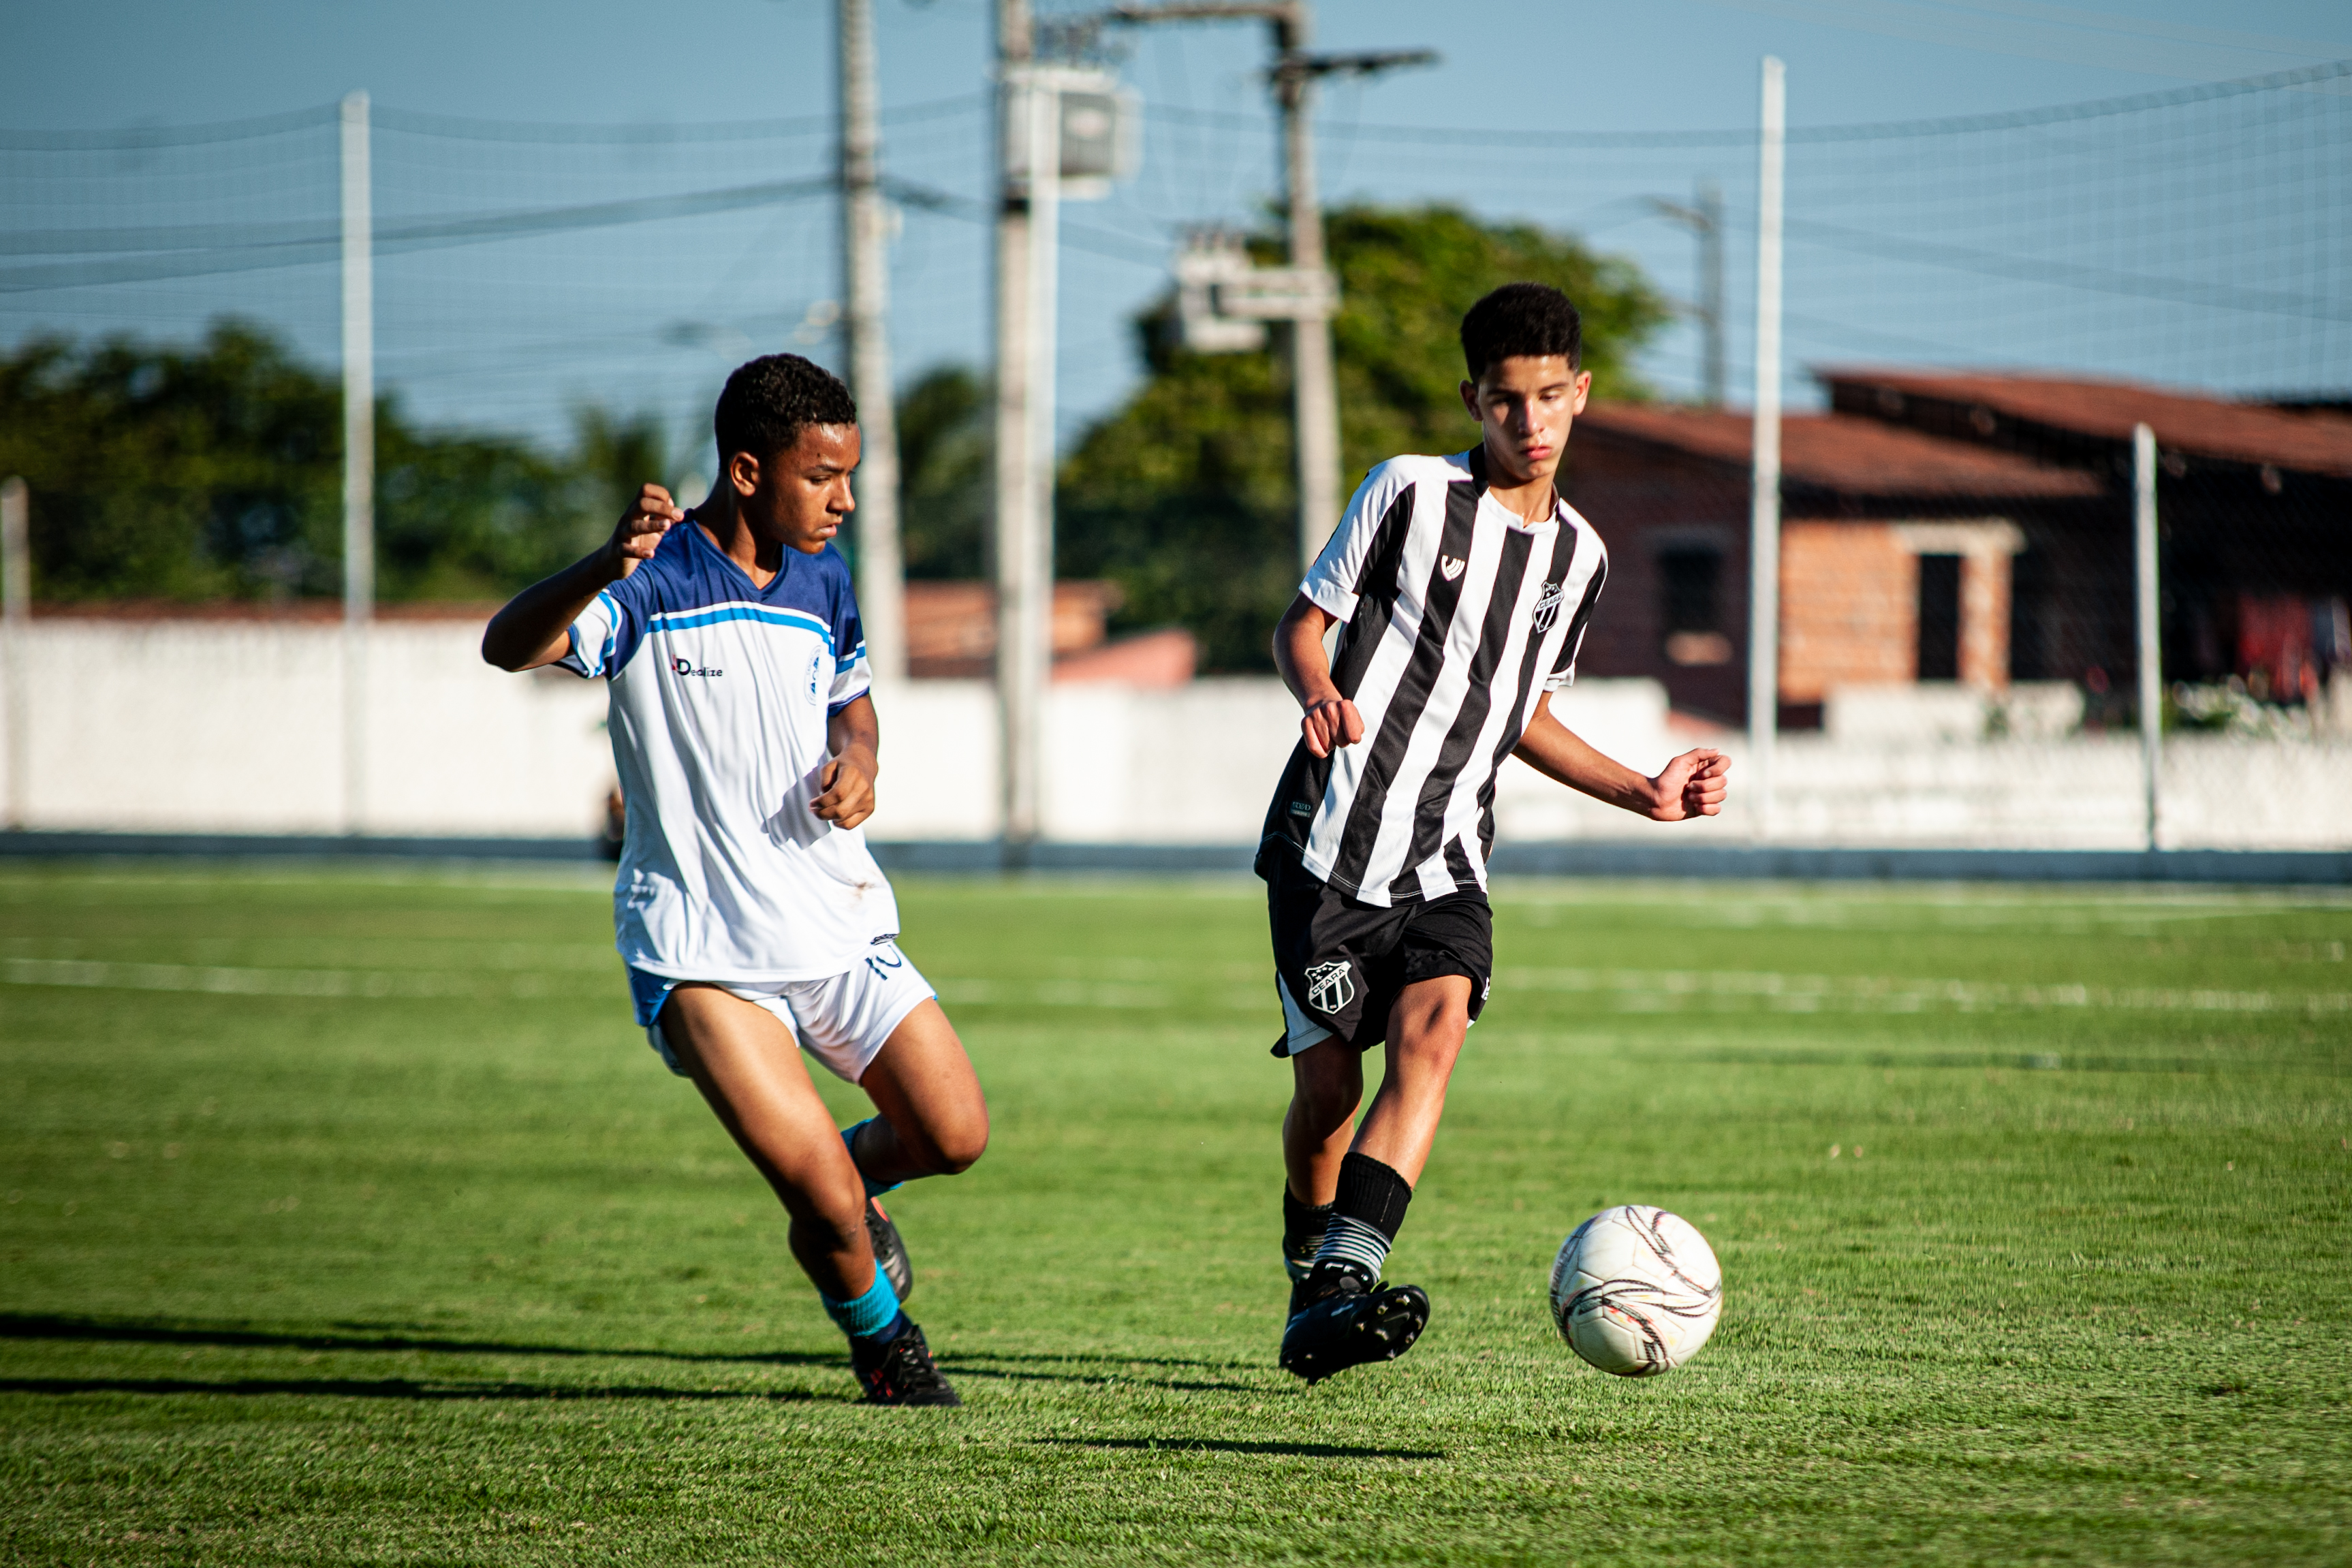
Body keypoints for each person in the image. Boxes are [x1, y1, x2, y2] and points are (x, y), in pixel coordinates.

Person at [482, 354, 985, 1407]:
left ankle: (848, 1185)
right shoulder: (653, 582)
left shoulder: (824, 579)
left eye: (850, 475)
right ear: (749, 470)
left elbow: (852, 698)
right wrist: (599, 565)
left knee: (953, 1135)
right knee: (826, 1208)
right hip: (701, 950)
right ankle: (885, 1349)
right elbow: (508, 646)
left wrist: (864, 759)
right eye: (823, 477)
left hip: (835, 920)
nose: (844, 499)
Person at [1258, 283, 1731, 1384]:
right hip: (1327, 849)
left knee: (1431, 1043)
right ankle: (1307, 1253)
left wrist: (1640, 791)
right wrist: (1318, 691)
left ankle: (1339, 1288)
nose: (1532, 422)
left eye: (1552, 396)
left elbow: (1517, 708)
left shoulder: (1581, 557)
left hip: (1447, 861)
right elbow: (1300, 626)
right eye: (1508, 401)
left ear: (1581, 393)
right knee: (1326, 1098)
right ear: (1474, 399)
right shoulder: (1408, 494)